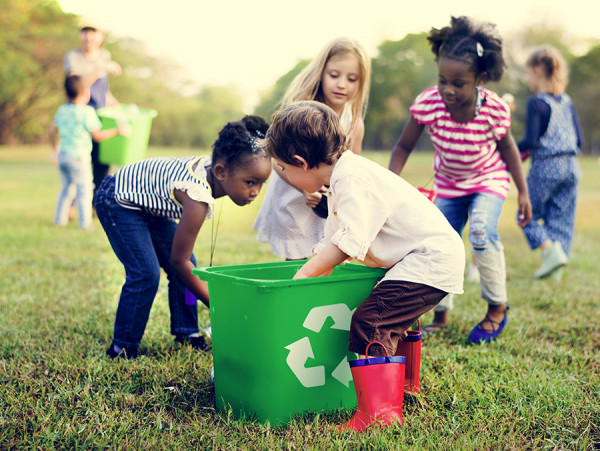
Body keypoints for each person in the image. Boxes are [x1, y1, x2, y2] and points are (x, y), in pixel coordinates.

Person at [263, 101, 464, 430]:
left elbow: (347, 243)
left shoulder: (352, 180)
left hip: (429, 260)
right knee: (392, 319)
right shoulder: (344, 177)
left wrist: (304, 274)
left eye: (283, 169)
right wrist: (315, 276)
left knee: (372, 322)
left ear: (300, 162)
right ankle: (403, 389)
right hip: (422, 260)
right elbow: (332, 242)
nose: (284, 176)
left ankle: (380, 415)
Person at [388, 16, 532, 344]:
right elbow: (403, 145)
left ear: (480, 79)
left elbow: (509, 150)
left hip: (487, 179)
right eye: (442, 80)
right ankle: (441, 312)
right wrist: (391, 184)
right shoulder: (429, 104)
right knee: (439, 244)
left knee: (481, 231)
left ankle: (497, 308)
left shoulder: (493, 109)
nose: (448, 90)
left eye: (458, 83)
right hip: (450, 185)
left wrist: (523, 192)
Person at [95, 116, 272, 359]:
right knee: (146, 273)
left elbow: (184, 263)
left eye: (262, 183)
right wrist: (215, 302)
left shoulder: (213, 170)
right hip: (117, 199)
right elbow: (179, 262)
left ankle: (187, 332)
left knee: (191, 266)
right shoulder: (196, 197)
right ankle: (122, 347)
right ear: (220, 171)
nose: (255, 191)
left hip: (148, 206)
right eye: (250, 182)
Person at [253, 37, 371, 260]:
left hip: (327, 203)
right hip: (293, 197)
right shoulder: (300, 112)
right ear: (321, 72)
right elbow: (278, 160)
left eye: (352, 79)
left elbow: (352, 170)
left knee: (326, 256)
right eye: (334, 75)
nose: (342, 84)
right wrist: (305, 189)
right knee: (297, 260)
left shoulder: (354, 123)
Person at [517, 46, 583, 279]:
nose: (527, 80)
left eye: (527, 74)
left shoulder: (537, 103)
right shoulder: (567, 101)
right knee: (561, 219)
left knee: (527, 215)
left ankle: (550, 254)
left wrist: (506, 148)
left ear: (537, 71)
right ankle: (555, 270)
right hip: (571, 167)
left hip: (546, 167)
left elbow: (531, 141)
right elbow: (580, 139)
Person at [50, 75, 127, 229]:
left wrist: (55, 149)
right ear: (86, 93)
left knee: (66, 189)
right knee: (84, 190)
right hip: (79, 157)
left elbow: (52, 130)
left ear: (66, 94)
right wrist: (117, 131)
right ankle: (85, 224)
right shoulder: (86, 112)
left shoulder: (62, 110)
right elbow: (97, 135)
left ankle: (59, 220)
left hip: (64, 155)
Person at [65, 24, 122, 205]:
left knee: (102, 164)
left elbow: (103, 89)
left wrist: (115, 104)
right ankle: (73, 205)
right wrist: (100, 68)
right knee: (80, 162)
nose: (88, 39)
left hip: (101, 115)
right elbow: (77, 85)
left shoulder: (104, 55)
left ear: (101, 36)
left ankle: (97, 205)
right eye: (85, 35)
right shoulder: (73, 57)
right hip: (80, 114)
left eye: (92, 35)